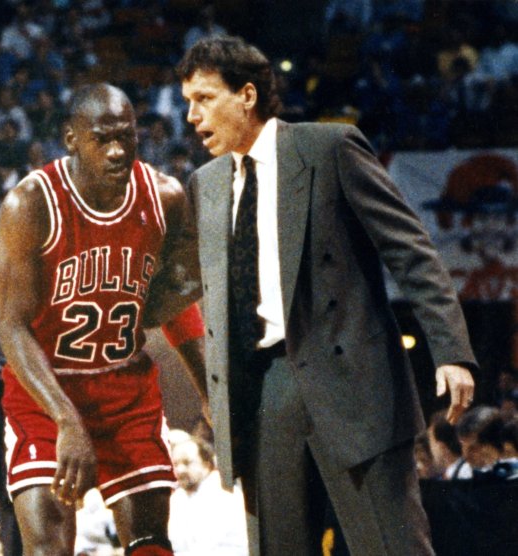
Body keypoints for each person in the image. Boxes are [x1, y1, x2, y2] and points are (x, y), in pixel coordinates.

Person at [177, 35, 476, 556]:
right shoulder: (206, 184)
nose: (191, 116)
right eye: (187, 102)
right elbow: (185, 289)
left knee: (392, 547)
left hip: (353, 381)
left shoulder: (327, 148)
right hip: (263, 390)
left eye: (203, 99)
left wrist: (450, 350)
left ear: (246, 95)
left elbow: (410, 250)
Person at [0, 82, 205, 556]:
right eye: (102, 138)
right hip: (46, 393)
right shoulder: (30, 205)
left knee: (152, 546)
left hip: (126, 391)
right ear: (71, 138)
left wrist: (208, 390)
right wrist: (67, 420)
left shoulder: (165, 197)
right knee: (49, 549)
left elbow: (175, 302)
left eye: (126, 137)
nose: (117, 151)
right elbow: (11, 325)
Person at [169, 436, 248, 556]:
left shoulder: (226, 495)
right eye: (175, 464)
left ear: (207, 464)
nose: (180, 470)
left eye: (187, 462)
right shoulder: (177, 498)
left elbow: (205, 550)